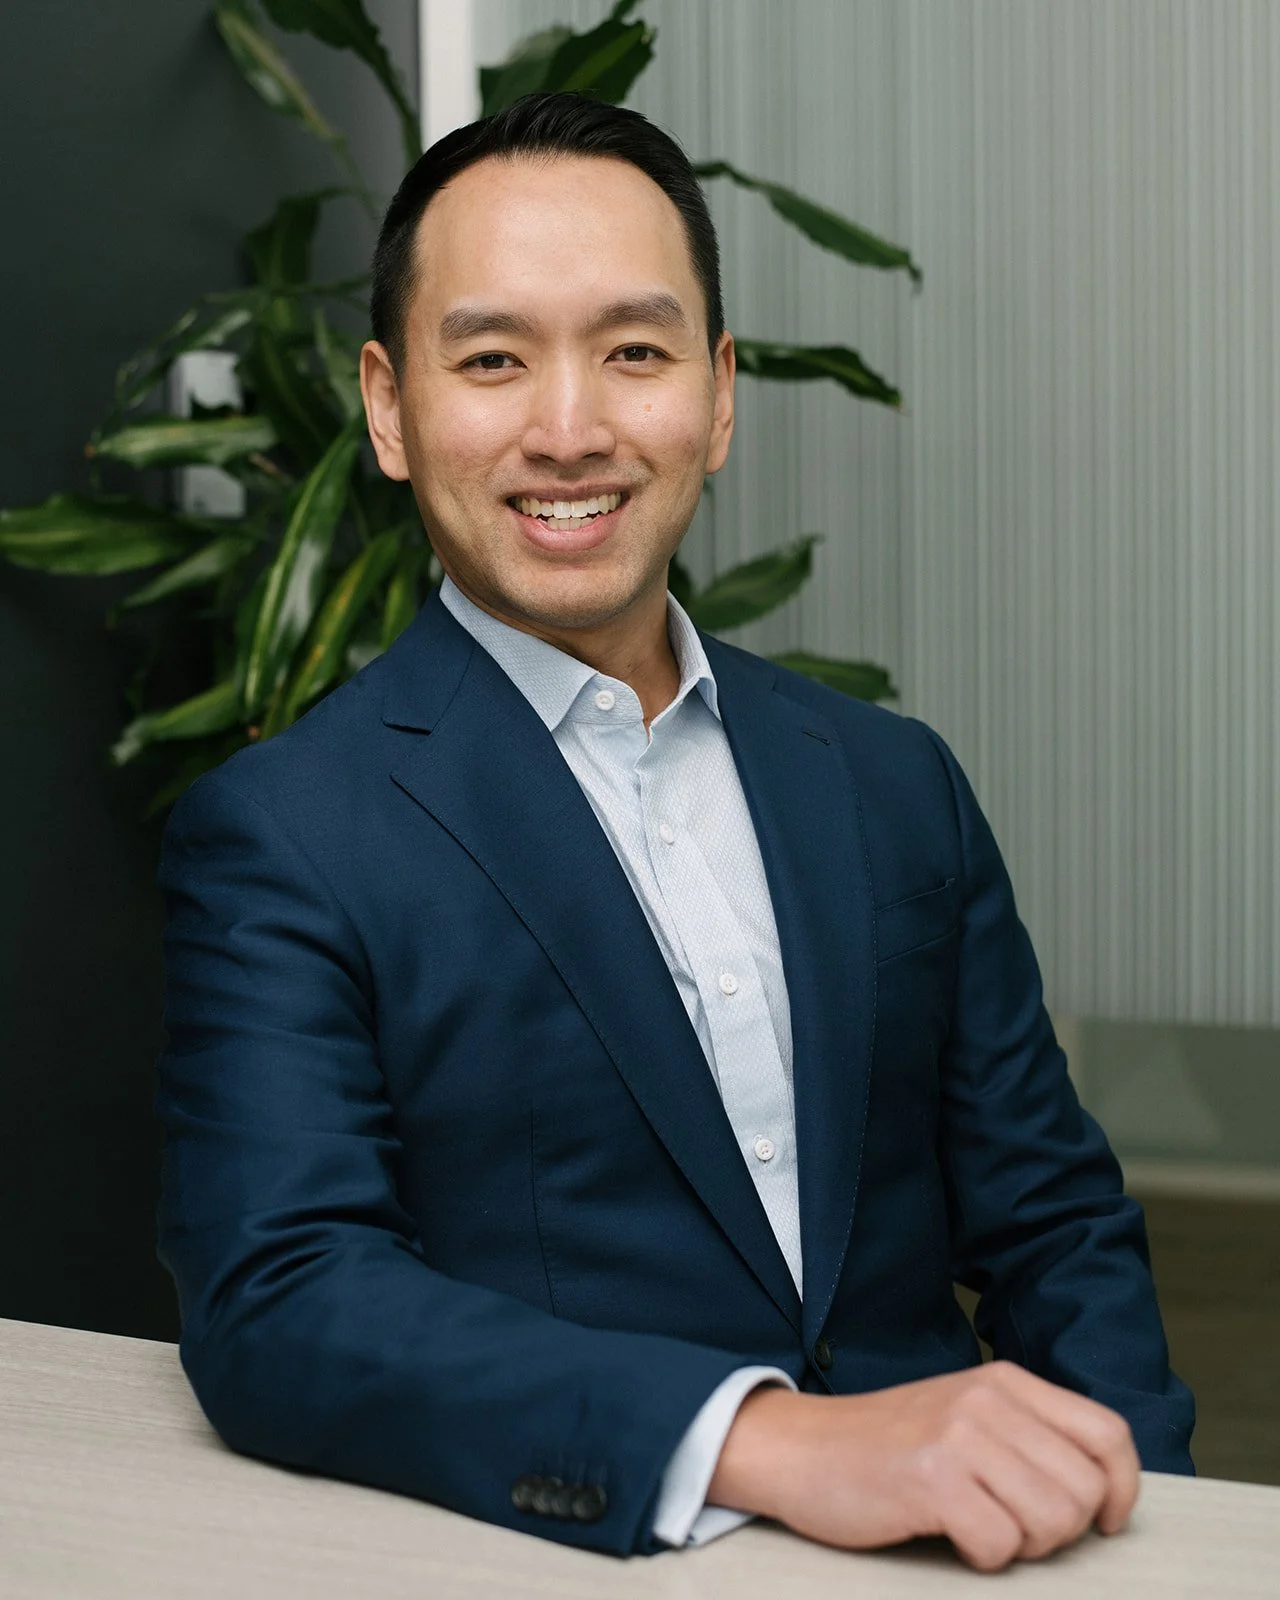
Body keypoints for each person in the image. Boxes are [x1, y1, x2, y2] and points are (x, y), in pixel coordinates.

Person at [155, 92, 1194, 1572]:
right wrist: (772, 1441)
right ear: (389, 409)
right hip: (581, 1555)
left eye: (633, 352)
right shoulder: (284, 832)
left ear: (716, 398)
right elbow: (284, 1295)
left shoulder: (892, 781)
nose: (568, 429)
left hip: (972, 1560)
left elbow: (1053, 1224)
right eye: (494, 358)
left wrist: (1157, 1519)